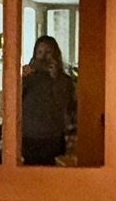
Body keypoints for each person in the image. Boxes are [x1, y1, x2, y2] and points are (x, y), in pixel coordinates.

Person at [20, 35, 77, 165]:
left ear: (55, 54)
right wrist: (22, 79)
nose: (43, 57)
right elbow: (13, 100)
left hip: (52, 135)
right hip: (29, 134)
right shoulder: (29, 78)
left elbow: (65, 104)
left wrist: (55, 78)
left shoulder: (64, 80)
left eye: (48, 52)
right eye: (39, 52)